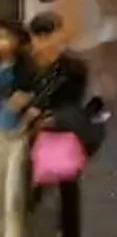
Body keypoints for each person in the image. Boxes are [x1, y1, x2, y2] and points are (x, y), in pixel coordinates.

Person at [27, 13, 89, 237]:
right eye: (39, 36)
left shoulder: (74, 68)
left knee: (67, 185)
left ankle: (70, 230)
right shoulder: (29, 67)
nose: (45, 42)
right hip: (32, 134)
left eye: (49, 34)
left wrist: (47, 115)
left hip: (60, 134)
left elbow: (73, 102)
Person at [0, 21, 32, 237]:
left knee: (13, 194)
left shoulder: (25, 70)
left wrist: (28, 101)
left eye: (5, 37)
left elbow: (38, 93)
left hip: (18, 135)